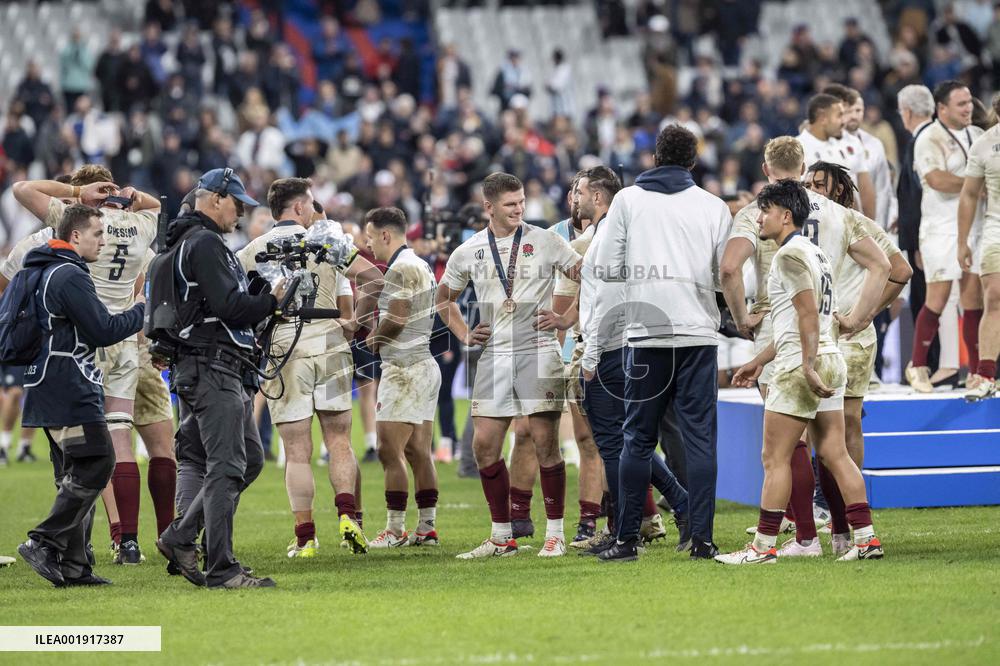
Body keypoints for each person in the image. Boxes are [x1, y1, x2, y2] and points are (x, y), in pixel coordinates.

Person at [717, 181, 883, 564]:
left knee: (774, 458)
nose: (759, 218)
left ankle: (762, 548)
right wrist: (760, 360)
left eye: (765, 211)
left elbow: (807, 314)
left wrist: (806, 364)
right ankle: (866, 539)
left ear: (786, 215)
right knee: (835, 453)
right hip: (831, 356)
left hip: (799, 365)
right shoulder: (817, 253)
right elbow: (812, 320)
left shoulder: (788, 257)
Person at [13, 165, 167, 566]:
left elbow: (23, 190)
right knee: (94, 459)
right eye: (97, 233)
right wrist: (140, 311)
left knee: (84, 462)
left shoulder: (46, 254)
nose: (104, 238)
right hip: (79, 363)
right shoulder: (70, 271)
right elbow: (103, 328)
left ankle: (76, 558)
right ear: (76, 232)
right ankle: (56, 544)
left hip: (67, 363)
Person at [591, 125, 730, 562]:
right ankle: (702, 540)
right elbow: (723, 275)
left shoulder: (628, 200)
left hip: (646, 331)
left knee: (636, 439)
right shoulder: (714, 206)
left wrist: (643, 275)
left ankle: (627, 541)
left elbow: (605, 267)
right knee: (700, 440)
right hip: (697, 332)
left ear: (654, 157)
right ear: (694, 161)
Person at [547, 165, 691, 557]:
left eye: (579, 193)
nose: (574, 200)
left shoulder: (606, 236)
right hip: (634, 344)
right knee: (630, 442)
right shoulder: (623, 232)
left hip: (611, 350)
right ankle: (666, 512)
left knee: (614, 444)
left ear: (597, 196)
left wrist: (590, 356)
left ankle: (628, 531)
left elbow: (605, 301)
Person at [436, 172, 582, 559]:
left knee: (545, 442)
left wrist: (567, 318)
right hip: (494, 353)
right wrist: (464, 333)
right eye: (510, 205)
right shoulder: (469, 250)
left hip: (538, 348)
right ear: (489, 207)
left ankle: (555, 533)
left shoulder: (546, 241)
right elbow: (443, 298)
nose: (519, 210)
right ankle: (502, 536)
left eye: (521, 202)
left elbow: (589, 279)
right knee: (484, 445)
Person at [155, 168, 286, 589]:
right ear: (214, 199)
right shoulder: (206, 243)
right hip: (213, 366)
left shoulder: (181, 243)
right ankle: (222, 569)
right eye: (237, 204)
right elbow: (230, 307)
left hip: (204, 366)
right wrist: (270, 301)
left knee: (248, 459)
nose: (241, 213)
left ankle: (181, 536)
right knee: (227, 465)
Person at [235, 178, 378, 557]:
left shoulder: (251, 251)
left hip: (284, 347)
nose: (315, 210)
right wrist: (356, 321)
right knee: (339, 440)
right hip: (330, 340)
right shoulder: (328, 241)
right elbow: (374, 278)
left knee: (297, 451)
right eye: (312, 203)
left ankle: (305, 536)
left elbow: (237, 307)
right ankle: (347, 516)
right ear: (299, 207)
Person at [803, 160, 910, 554]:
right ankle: (821, 510)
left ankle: (845, 512)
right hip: (822, 333)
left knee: (845, 424)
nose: (813, 190)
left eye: (820, 184)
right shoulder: (805, 222)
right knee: (816, 425)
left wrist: (865, 314)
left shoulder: (855, 222)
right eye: (808, 183)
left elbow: (900, 270)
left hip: (849, 336)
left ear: (838, 189)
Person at [363, 207, 442, 547]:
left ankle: (395, 529)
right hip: (423, 363)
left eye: (370, 238)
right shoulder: (418, 263)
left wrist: (371, 341)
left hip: (405, 369)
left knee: (387, 449)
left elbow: (397, 317)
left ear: (386, 234)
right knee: (418, 451)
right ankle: (427, 527)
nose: (369, 245)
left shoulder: (401, 267)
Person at [906, 80, 985, 393]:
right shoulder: (929, 137)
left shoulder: (977, 134)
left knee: (973, 300)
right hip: (940, 228)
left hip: (974, 227)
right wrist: (976, 184)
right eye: (961, 104)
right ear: (942, 108)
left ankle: (977, 372)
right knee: (937, 298)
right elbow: (936, 179)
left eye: (969, 102)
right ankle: (918, 365)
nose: (968, 108)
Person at [959, 92, 1000, 401]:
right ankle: (985, 374)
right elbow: (970, 194)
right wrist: (962, 242)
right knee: (994, 295)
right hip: (996, 228)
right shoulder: (985, 144)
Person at [796, 93, 877, 220]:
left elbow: (852, 192)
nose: (844, 121)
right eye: (839, 115)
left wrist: (865, 224)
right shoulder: (797, 149)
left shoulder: (840, 146)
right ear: (823, 118)